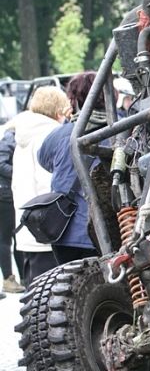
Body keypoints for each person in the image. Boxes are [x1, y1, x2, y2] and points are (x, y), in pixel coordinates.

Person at [39, 73, 104, 264]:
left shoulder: (60, 134)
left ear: (73, 99)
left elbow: (44, 161)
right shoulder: (122, 130)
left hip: (66, 230)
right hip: (109, 229)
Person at [12, 86, 71, 286]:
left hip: (28, 227)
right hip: (49, 228)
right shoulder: (51, 135)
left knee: (35, 294)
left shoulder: (23, 135)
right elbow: (52, 184)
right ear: (59, 109)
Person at [0, 126, 24, 293]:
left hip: (8, 194)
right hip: (5, 196)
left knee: (16, 237)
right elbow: (1, 164)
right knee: (6, 239)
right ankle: (9, 279)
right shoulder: (9, 140)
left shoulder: (12, 140)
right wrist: (20, 172)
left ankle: (22, 277)